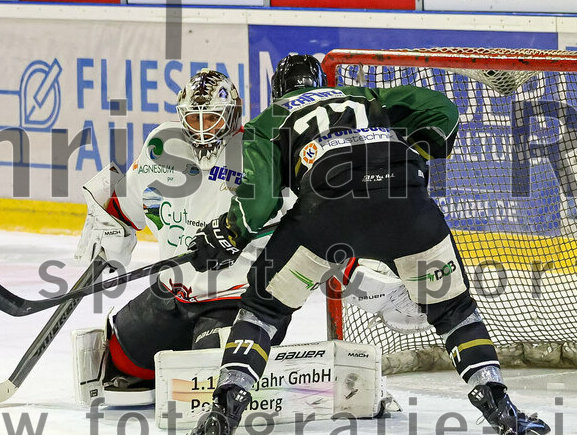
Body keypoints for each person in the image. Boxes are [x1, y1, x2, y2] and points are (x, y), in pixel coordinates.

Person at [180, 55, 554, 435]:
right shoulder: (364, 95)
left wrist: (227, 235)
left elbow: (257, 205)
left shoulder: (272, 118)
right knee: (454, 312)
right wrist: (407, 152)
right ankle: (507, 416)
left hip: (327, 215)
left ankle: (220, 422)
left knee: (264, 311)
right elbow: (443, 112)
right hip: (406, 203)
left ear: (278, 91)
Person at [73, 68, 426, 404]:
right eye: (193, 118)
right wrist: (107, 226)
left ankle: (272, 377)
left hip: (239, 302)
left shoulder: (260, 151)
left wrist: (363, 282)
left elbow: (313, 231)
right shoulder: (162, 146)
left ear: (232, 116)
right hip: (172, 295)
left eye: (211, 118)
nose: (201, 129)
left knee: (211, 380)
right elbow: (124, 202)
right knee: (121, 361)